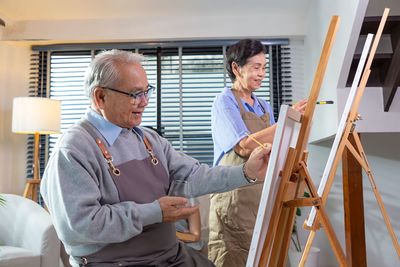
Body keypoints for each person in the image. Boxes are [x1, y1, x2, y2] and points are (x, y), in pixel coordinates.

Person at [40, 49, 271, 267]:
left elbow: (194, 175)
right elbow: (83, 225)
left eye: (146, 91)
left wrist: (246, 172)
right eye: (135, 94)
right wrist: (155, 212)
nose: (145, 101)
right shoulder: (73, 149)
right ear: (100, 96)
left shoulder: (148, 139)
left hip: (169, 256)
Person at [208, 39, 307, 267]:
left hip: (261, 195)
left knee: (266, 257)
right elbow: (244, 146)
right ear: (236, 68)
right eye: (255, 67)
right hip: (234, 196)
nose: (262, 73)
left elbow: (277, 145)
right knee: (232, 256)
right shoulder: (224, 101)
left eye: (264, 67)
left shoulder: (263, 105)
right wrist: (285, 120)